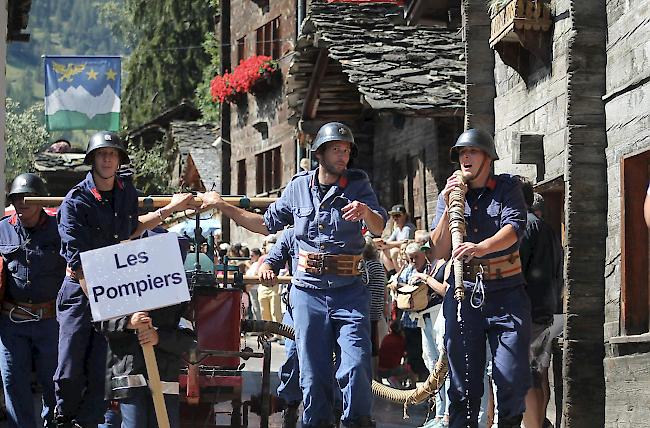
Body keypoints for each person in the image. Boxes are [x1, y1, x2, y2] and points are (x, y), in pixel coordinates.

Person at [200, 121, 387, 427]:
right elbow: (265, 224)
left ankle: (357, 422)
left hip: (349, 291)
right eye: (336, 150)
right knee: (312, 377)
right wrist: (222, 205)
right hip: (308, 292)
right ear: (320, 154)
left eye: (346, 150)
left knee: (355, 366)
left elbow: (380, 226)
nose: (343, 156)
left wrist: (366, 213)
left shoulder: (359, 184)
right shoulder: (298, 187)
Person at [54, 131, 198, 427]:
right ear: (92, 160)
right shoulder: (74, 202)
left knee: (106, 368)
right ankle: (60, 417)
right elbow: (80, 266)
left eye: (113, 154)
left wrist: (171, 209)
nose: (107, 159)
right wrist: (108, 307)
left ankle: (93, 421)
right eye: (101, 154)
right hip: (82, 292)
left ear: (119, 160)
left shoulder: (126, 192)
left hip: (116, 289)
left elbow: (132, 230)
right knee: (69, 369)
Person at [429, 128, 530, 428]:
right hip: (465, 293)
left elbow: (514, 228)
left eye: (471, 152)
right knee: (463, 384)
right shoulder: (448, 197)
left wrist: (480, 248)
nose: (465, 157)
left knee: (510, 376)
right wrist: (449, 209)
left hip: (507, 293)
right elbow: (437, 249)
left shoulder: (507, 187)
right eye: (461, 153)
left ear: (488, 158)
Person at [100, 228, 195, 428]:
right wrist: (127, 322)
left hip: (164, 376)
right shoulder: (120, 287)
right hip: (128, 372)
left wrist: (159, 337)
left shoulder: (180, 296)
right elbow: (100, 322)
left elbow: (188, 337)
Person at [0, 173, 66, 427]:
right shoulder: (2, 229)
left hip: (50, 322)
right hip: (11, 324)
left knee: (55, 382)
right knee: (13, 383)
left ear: (41, 201)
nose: (23, 202)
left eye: (28, 197)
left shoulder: (60, 230)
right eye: (17, 197)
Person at [518, 181, 563, 428]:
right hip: (547, 308)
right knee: (537, 372)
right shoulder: (547, 229)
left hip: (529, 309)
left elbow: (518, 270)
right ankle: (540, 423)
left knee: (527, 374)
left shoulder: (523, 226)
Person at [257, 228, 301, 427]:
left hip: (335, 302)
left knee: (342, 360)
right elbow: (272, 260)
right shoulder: (291, 234)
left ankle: (336, 409)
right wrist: (266, 267)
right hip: (298, 305)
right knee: (293, 354)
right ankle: (291, 404)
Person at [362, 236, 387, 379]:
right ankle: (375, 375)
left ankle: (371, 376)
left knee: (369, 343)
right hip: (377, 308)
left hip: (368, 309)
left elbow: (363, 281)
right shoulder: (378, 265)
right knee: (374, 342)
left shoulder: (368, 266)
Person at [375, 204, 415, 274]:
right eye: (393, 216)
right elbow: (389, 242)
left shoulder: (407, 228)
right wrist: (384, 244)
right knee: (383, 251)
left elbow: (404, 243)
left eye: (397, 215)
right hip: (401, 256)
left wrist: (386, 244)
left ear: (405, 215)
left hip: (408, 256)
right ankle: (392, 275)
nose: (395, 218)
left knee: (394, 252)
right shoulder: (397, 229)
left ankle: (400, 277)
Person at [377, 321, 416, 389]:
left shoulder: (386, 337)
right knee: (412, 373)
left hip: (379, 369)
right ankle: (411, 387)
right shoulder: (401, 340)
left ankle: (395, 381)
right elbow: (404, 355)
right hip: (391, 369)